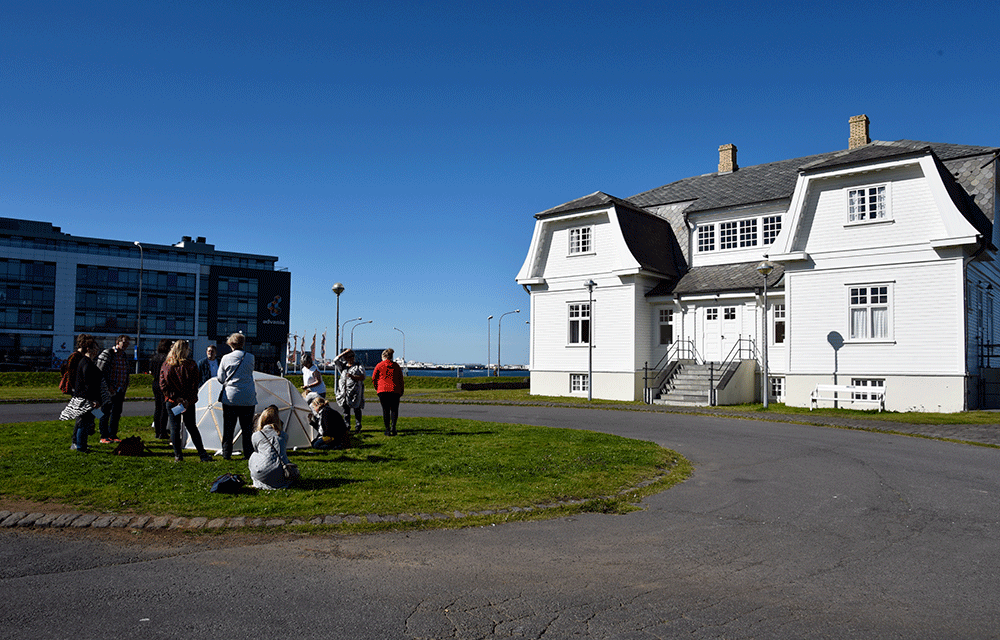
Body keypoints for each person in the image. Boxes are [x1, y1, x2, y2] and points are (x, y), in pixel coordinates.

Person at [159, 340, 213, 463]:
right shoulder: (191, 365)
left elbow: (163, 385)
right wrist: (188, 400)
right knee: (192, 427)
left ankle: (178, 455)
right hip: (188, 402)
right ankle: (202, 454)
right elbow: (195, 384)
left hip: (173, 401)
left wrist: (175, 397)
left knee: (175, 428)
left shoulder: (167, 365)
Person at [61, 334, 107, 453]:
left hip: (85, 395)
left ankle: (82, 442)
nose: (97, 351)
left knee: (92, 418)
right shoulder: (81, 360)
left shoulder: (86, 361)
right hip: (84, 396)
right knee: (84, 420)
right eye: (95, 348)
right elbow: (84, 381)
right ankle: (78, 443)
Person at [217, 332, 256, 459]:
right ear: (242, 343)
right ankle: (248, 453)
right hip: (248, 397)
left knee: (228, 428)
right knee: (247, 428)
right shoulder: (250, 357)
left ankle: (226, 453)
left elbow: (220, 378)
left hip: (231, 397)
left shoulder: (225, 358)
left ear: (230, 344)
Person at [95, 334, 131, 443]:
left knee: (116, 413)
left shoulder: (124, 356)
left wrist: (124, 386)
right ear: (118, 342)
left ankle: (113, 434)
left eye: (127, 343)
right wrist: (107, 387)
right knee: (105, 412)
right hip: (108, 389)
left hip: (120, 389)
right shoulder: (108, 353)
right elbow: (99, 372)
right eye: (124, 342)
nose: (125, 345)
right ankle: (103, 435)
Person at [248, 405, 292, 490]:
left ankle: (258, 480)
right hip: (282, 472)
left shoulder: (256, 435)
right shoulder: (284, 435)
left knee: (254, 455)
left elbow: (257, 450)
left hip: (262, 472)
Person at [371, 348, 405, 436]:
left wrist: (377, 388)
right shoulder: (396, 366)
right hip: (395, 390)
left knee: (385, 410)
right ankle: (393, 427)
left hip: (383, 390)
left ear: (384, 357)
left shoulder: (379, 365)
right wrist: (401, 390)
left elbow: (374, 378)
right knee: (394, 410)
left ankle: (387, 429)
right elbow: (401, 379)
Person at [334, 348, 365, 432]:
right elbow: (335, 360)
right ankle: (347, 425)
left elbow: (363, 377)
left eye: (351, 356)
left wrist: (353, 377)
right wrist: (344, 353)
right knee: (345, 411)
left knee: (357, 409)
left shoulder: (358, 366)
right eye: (348, 357)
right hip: (344, 393)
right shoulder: (343, 366)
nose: (350, 358)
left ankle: (358, 425)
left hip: (355, 392)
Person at [150, 339, 172, 439]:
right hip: (164, 384)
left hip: (155, 382)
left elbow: (151, 371)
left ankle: (157, 431)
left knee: (157, 408)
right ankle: (163, 431)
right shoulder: (167, 358)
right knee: (164, 408)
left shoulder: (154, 357)